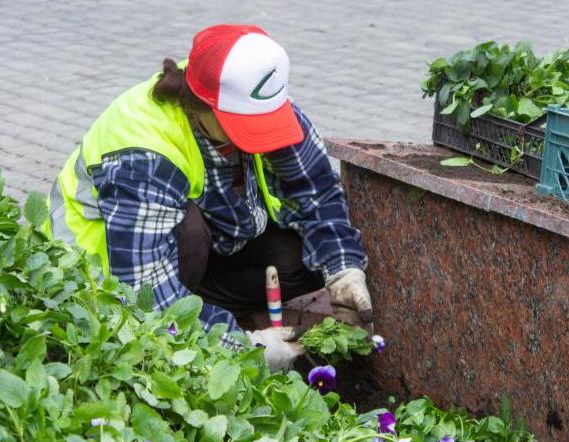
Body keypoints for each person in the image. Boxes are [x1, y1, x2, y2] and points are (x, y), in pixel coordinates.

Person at [49, 24, 373, 370]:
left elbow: (315, 188)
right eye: (248, 127)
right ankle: (190, 333)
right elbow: (142, 294)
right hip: (111, 276)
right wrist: (243, 348)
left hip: (207, 249)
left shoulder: (255, 94)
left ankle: (201, 314)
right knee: (188, 235)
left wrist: (343, 271)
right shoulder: (143, 152)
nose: (262, 137)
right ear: (202, 107)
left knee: (296, 257)